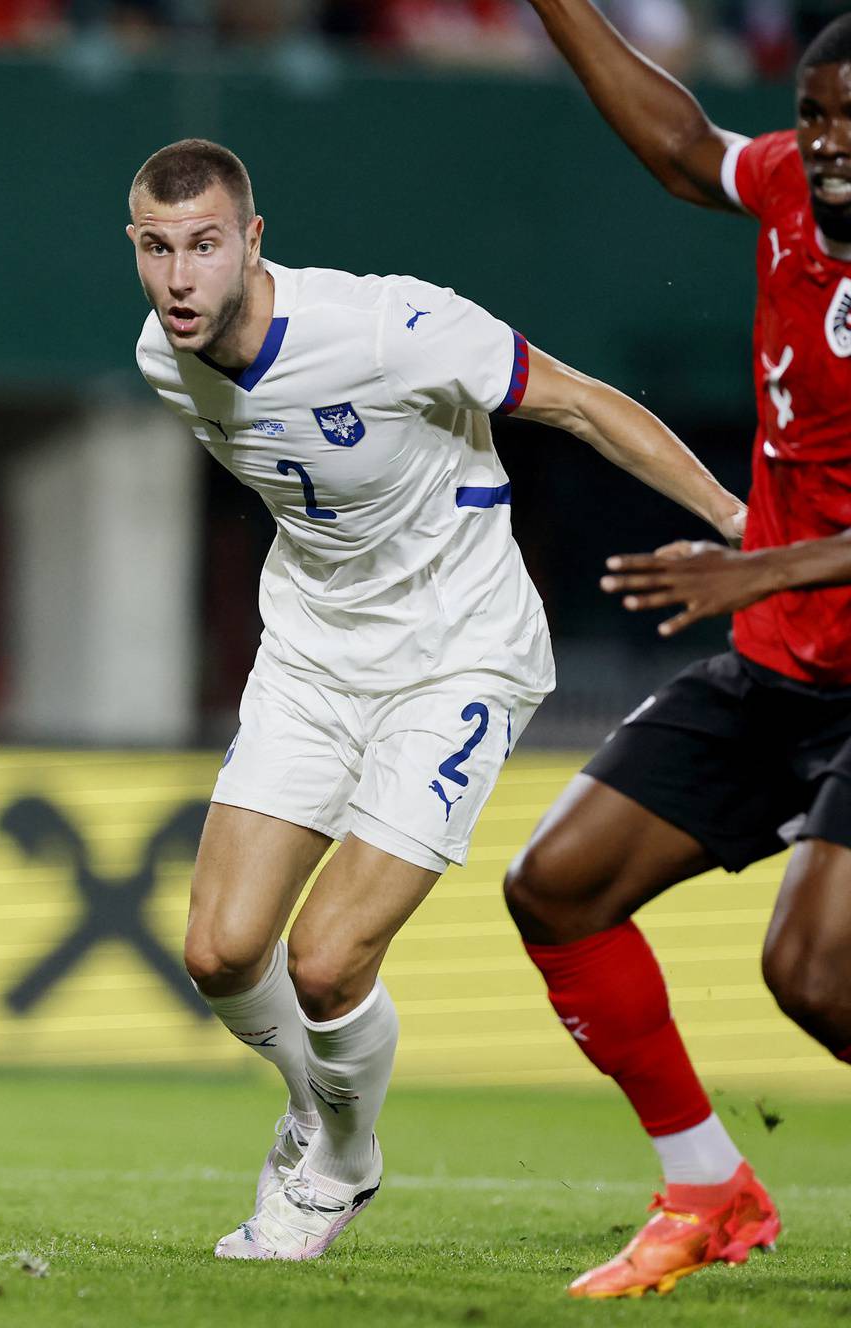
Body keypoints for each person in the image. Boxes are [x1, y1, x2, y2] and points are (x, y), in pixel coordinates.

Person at [128, 138, 745, 1260]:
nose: (180, 279)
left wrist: (743, 528)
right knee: (219, 952)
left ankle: (335, 1164)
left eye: (205, 246)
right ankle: (326, 1114)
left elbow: (585, 405)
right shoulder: (164, 361)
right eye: (157, 249)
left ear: (253, 243)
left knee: (324, 961)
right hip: (312, 661)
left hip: (459, 658)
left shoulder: (390, 328)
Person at [503, 3, 851, 1299]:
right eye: (814, 116)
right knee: (557, 886)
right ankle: (711, 1187)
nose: (824, 144)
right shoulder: (785, 197)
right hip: (782, 661)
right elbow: (678, 144)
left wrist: (759, 562)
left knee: (811, 972)